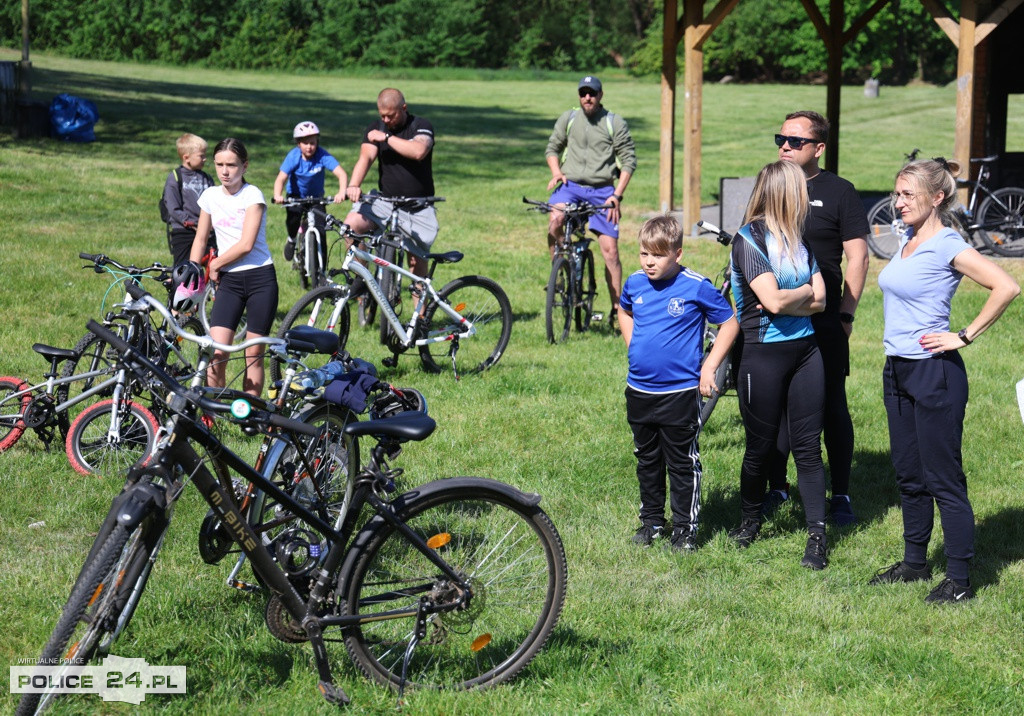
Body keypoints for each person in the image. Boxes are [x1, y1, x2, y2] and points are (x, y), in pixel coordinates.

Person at [870, 158, 1019, 603]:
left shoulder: (947, 243)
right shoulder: (910, 239)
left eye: (907, 195)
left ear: (937, 198)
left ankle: (959, 580)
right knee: (909, 475)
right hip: (897, 368)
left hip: (934, 372)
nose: (898, 203)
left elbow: (1006, 286)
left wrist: (963, 335)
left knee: (943, 478)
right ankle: (915, 563)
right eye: (896, 194)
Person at [766, 110, 869, 526]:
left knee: (831, 407)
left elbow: (859, 256)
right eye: (781, 138)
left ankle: (840, 494)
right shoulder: (771, 185)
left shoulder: (839, 191)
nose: (785, 146)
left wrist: (846, 313)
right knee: (776, 408)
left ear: (819, 148)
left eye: (795, 141)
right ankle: (777, 487)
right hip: (774, 318)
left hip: (824, 320)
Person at [724, 160, 829, 570]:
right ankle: (750, 519)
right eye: (802, 189)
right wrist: (802, 293)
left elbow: (821, 302)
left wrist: (798, 297)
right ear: (788, 193)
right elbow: (773, 301)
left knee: (808, 448)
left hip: (806, 353)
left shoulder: (799, 240)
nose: (807, 195)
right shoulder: (749, 240)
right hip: (762, 356)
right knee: (760, 448)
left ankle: (817, 536)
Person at [618, 215, 738, 551]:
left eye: (657, 255)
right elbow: (623, 310)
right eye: (644, 254)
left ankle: (685, 529)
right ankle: (652, 521)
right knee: (647, 459)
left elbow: (729, 324)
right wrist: (633, 344)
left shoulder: (696, 286)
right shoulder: (634, 283)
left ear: (678, 254)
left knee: (682, 461)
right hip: (639, 390)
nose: (649, 262)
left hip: (680, 393)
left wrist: (709, 367)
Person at [189, 138, 278, 397]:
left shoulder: (252, 196)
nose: (225, 171)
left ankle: (250, 417)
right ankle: (215, 417)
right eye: (219, 165)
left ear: (245, 166)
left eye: (232, 165)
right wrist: (193, 276)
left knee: (253, 353)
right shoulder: (210, 196)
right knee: (217, 351)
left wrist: (216, 263)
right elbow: (201, 238)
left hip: (260, 278)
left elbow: (247, 244)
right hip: (229, 282)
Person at [545, 75, 637, 320]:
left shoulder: (613, 122)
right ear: (579, 95)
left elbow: (629, 161)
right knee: (555, 220)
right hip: (571, 185)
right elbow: (553, 148)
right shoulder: (569, 118)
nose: (588, 97)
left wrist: (617, 195)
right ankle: (560, 271)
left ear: (600, 95)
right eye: (583, 93)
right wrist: (556, 173)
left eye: (592, 93)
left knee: (610, 251)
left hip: (603, 190)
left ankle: (618, 308)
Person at [343, 88, 437, 280]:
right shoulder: (375, 127)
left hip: (417, 206)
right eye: (382, 116)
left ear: (403, 108)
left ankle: (419, 311)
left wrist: (386, 138)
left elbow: (419, 151)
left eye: (390, 116)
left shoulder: (421, 125)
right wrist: (354, 184)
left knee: (416, 263)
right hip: (385, 202)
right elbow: (366, 157)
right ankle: (363, 280)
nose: (385, 121)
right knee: (351, 226)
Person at [272, 121, 348, 263]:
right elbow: (281, 178)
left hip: (316, 198)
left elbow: (341, 174)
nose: (309, 147)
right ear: (298, 144)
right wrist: (278, 195)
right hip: (296, 197)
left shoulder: (322, 155)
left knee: (321, 231)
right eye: (305, 143)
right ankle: (292, 239)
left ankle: (321, 274)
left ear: (317, 142)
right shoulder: (294, 157)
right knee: (293, 219)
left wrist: (341, 192)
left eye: (312, 143)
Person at [163, 133, 215, 267]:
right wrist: (190, 222)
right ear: (186, 157)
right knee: (183, 269)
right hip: (183, 232)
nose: (205, 159)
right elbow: (173, 207)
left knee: (215, 264)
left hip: (207, 231)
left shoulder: (207, 178)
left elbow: (215, 203)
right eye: (201, 155)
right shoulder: (175, 177)